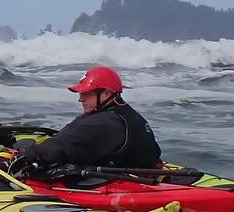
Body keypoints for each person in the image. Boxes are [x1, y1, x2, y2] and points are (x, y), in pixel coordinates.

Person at [9, 66, 161, 174]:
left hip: (122, 182)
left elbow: (59, 147)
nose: (80, 99)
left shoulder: (105, 122)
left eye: (86, 94)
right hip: (141, 171)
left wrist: (21, 158)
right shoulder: (123, 112)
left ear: (106, 94)